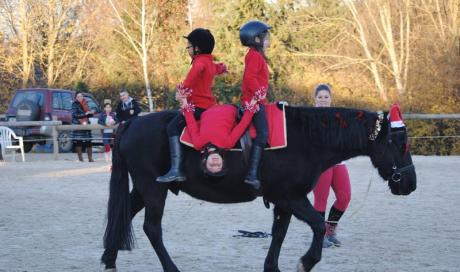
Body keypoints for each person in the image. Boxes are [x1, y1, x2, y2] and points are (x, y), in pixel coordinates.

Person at [156, 28, 227, 183]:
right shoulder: (208, 61)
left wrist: (181, 90)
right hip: (208, 107)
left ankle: (176, 170)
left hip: (197, 107)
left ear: (197, 48)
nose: (187, 49)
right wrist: (223, 68)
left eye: (188, 46)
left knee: (172, 128)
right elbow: (216, 68)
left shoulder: (200, 63)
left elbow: (193, 75)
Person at [178, 93, 264, 176]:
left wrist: (184, 101)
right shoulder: (228, 144)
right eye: (218, 165)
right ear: (222, 161)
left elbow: (191, 124)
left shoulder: (198, 144)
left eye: (212, 165)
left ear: (204, 161)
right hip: (230, 108)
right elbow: (243, 125)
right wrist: (253, 102)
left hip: (209, 109)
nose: (215, 163)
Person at [311, 83, 351, 248]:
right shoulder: (310, 117)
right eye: (319, 97)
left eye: (326, 97)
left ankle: (330, 231)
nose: (323, 100)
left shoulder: (338, 117)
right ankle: (318, 238)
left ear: (330, 99)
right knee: (321, 200)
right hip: (320, 163)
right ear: (315, 100)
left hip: (338, 161)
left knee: (344, 197)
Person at [239, 20, 271, 191]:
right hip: (253, 102)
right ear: (256, 39)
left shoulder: (256, 55)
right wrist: (260, 93)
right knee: (263, 134)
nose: (268, 40)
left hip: (258, 100)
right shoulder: (253, 56)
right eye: (265, 37)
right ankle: (252, 174)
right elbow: (249, 78)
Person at [72, 91, 95, 162]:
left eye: (81, 96)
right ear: (76, 98)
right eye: (78, 97)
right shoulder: (74, 104)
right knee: (79, 141)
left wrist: (91, 113)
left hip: (86, 123)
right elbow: (75, 115)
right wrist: (85, 114)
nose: (80, 98)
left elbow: (89, 115)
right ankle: (80, 158)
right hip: (78, 123)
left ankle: (90, 158)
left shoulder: (86, 103)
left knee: (88, 141)